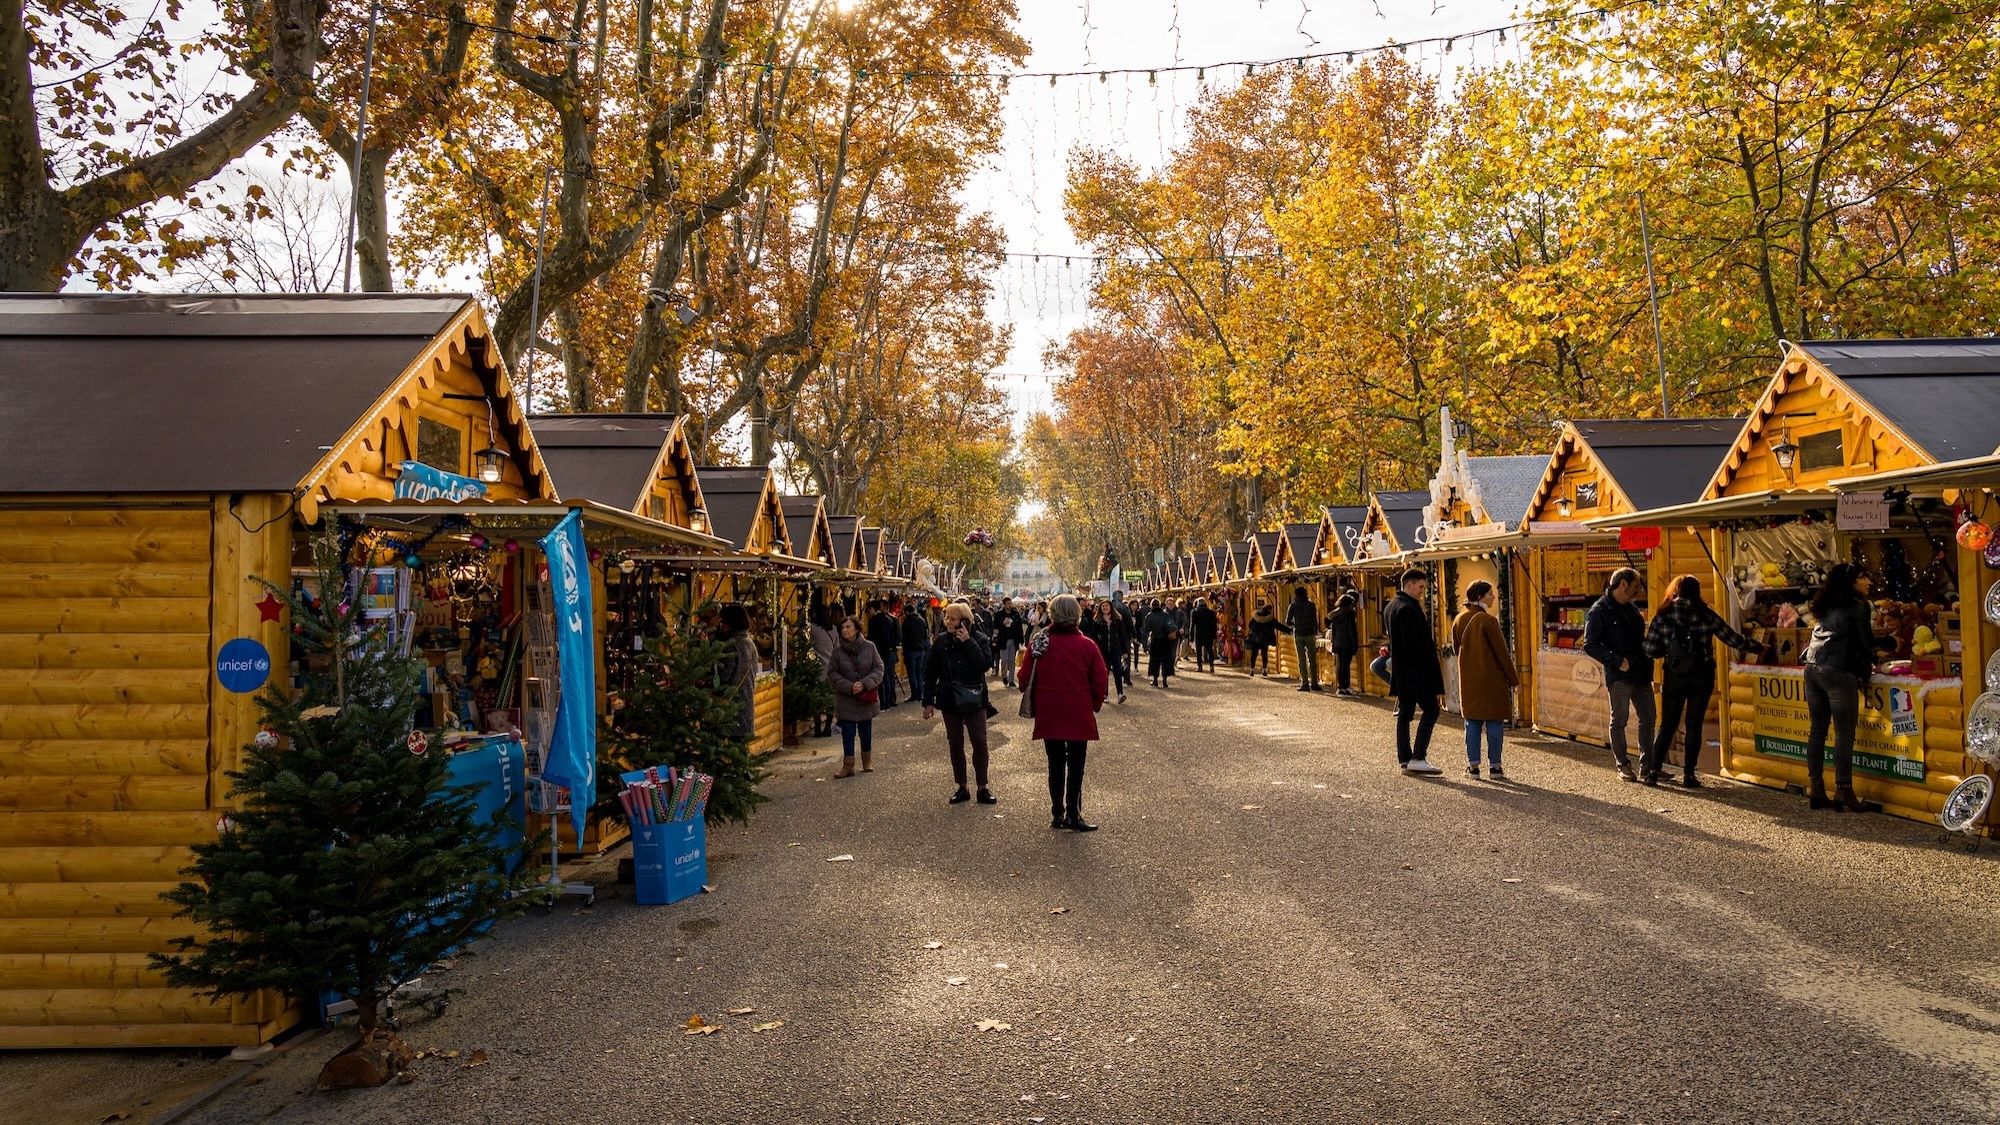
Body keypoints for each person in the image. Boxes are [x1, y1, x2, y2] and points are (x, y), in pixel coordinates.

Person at [1640, 574, 1766, 787]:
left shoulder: (1664, 615)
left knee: (1668, 725)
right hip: (1702, 674)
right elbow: (1730, 637)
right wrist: (1756, 646)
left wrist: (1669, 650)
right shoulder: (1705, 613)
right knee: (1694, 725)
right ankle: (1689, 775)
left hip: (1674, 675)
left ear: (1676, 590)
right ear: (1696, 591)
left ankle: (1653, 771)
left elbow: (1650, 649)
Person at [1018, 594, 1109, 831]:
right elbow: (1100, 680)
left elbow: (1023, 678)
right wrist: (1095, 704)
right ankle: (1073, 812)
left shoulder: (1039, 642)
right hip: (1078, 711)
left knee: (1055, 763)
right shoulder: (1087, 645)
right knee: (1076, 764)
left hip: (1050, 710)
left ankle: (1057, 812)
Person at [1801, 563, 1886, 813]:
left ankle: (1816, 788)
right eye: (1863, 576)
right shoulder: (1858, 605)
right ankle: (1844, 790)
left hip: (1812, 667)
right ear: (1851, 582)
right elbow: (1867, 642)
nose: (1868, 581)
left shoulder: (1826, 603)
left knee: (1817, 731)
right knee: (1843, 732)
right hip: (1838, 670)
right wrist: (1890, 642)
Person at [1581, 567, 1653, 782]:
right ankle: (1623, 764)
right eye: (1636, 586)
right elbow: (1590, 645)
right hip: (1619, 675)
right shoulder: (1599, 611)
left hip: (1641, 672)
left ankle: (1648, 767)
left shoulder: (1631, 608)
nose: (1639, 591)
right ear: (1623, 584)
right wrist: (1615, 660)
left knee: (1649, 718)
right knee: (1619, 719)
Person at [923, 603, 997, 805]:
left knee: (979, 740)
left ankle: (982, 787)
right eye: (947, 618)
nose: (948, 622)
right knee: (955, 742)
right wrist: (927, 702)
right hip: (949, 699)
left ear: (965, 621)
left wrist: (967, 642)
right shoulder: (941, 642)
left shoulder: (979, 639)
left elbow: (983, 665)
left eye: (953, 619)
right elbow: (930, 672)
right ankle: (962, 786)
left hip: (974, 697)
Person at [1451, 581, 1519, 779]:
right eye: (1490, 594)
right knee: (1494, 723)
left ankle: (1473, 767)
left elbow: (1457, 649)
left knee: (1472, 723)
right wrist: (1514, 680)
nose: (1493, 597)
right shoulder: (1488, 621)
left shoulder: (1459, 619)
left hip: (1470, 680)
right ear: (1480, 597)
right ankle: (1495, 767)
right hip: (1492, 680)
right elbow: (1502, 654)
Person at [1385, 569, 1444, 774]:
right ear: (1409, 585)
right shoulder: (1407, 608)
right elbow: (1412, 643)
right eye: (1420, 587)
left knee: (1405, 714)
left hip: (1402, 672)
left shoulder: (1391, 606)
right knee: (1431, 710)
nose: (1422, 591)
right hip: (1416, 672)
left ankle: (1404, 758)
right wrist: (1428, 663)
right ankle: (1418, 756)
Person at [826, 615, 885, 778]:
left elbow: (879, 668)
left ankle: (867, 761)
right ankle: (848, 766)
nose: (845, 630)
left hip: (865, 697)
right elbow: (832, 673)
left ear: (857, 629)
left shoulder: (869, 647)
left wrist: (864, 683)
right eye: (842, 628)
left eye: (848, 627)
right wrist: (849, 686)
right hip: (846, 698)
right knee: (848, 731)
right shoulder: (837, 651)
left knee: (866, 730)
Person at [715, 603, 760, 742]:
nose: (721, 626)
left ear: (730, 623)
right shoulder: (750, 643)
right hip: (746, 706)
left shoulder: (730, 646)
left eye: (723, 622)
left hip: (729, 709)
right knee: (740, 750)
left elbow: (724, 676)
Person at [1090, 599, 1133, 703]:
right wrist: (1094, 650)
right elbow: (1094, 637)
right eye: (1103, 606)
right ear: (1100, 608)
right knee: (1105, 673)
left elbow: (1122, 636)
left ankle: (1120, 693)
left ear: (1111, 608)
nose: (1105, 608)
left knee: (1118, 671)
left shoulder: (1117, 620)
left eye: (1107, 606)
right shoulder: (1097, 621)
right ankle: (1105, 694)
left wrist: (1125, 651)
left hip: (1115, 649)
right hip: (1103, 650)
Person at [807, 600, 838, 737]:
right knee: (830, 700)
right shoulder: (835, 630)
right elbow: (837, 649)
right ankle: (828, 728)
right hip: (831, 669)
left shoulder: (812, 629)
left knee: (816, 700)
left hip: (818, 669)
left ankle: (818, 728)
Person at [1285, 587, 1322, 692]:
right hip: (1310, 633)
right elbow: (1315, 621)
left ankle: (1305, 683)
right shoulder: (1311, 605)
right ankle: (1314, 683)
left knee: (1302, 660)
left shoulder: (1293, 606)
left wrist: (1295, 624)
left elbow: (1287, 622)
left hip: (1299, 634)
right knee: (1312, 659)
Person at [867, 599, 902, 709]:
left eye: (869, 611)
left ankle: (883, 702)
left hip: (879, 652)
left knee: (881, 678)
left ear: (872, 609)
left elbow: (872, 639)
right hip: (889, 651)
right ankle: (889, 700)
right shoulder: (889, 620)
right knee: (888, 676)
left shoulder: (873, 621)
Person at [1327, 589, 1361, 695]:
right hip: (1347, 643)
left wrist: (1333, 643)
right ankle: (1345, 687)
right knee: (1345, 666)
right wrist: (1355, 645)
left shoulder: (1335, 615)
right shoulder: (1349, 615)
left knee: (1341, 665)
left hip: (1338, 642)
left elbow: (1334, 631)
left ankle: (1340, 687)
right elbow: (1352, 632)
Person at [1143, 598, 1180, 688]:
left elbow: (1146, 629)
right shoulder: (1165, 615)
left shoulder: (1149, 616)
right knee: (1165, 660)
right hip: (1165, 639)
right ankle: (1164, 681)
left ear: (1151, 605)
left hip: (1155, 640)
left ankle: (1155, 680)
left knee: (1155, 660)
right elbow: (1172, 626)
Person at [901, 600, 932, 709]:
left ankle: (915, 694)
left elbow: (903, 637)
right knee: (919, 672)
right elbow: (925, 635)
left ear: (907, 612)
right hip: (921, 650)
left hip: (911, 650)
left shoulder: (907, 622)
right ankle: (920, 694)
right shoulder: (921, 620)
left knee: (912, 673)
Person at [995, 598, 1027, 687]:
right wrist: (1002, 623)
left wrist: (1021, 639)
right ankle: (1004, 675)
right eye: (1008, 603)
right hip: (1003, 639)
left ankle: (1011, 679)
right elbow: (996, 626)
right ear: (1004, 605)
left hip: (1013, 639)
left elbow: (1019, 627)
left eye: (1010, 603)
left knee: (1012, 660)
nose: (1010, 605)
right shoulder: (999, 614)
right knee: (1004, 659)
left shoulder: (1015, 614)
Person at [1245, 600, 1281, 676]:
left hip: (1255, 638)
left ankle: (1251, 670)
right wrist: (1288, 630)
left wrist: (1255, 630)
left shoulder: (1255, 615)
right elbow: (1278, 626)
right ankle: (1264, 670)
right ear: (1269, 609)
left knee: (1254, 654)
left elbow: (1250, 625)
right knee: (1264, 654)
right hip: (1265, 638)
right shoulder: (1270, 617)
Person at [1190, 597, 1219, 672]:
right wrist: (1214, 634)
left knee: (1198, 652)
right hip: (1208, 634)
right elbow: (1214, 625)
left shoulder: (1195, 613)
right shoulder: (1211, 613)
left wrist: (1191, 636)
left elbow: (1192, 625)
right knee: (1210, 650)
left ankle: (1200, 667)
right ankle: (1211, 666)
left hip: (1198, 634)